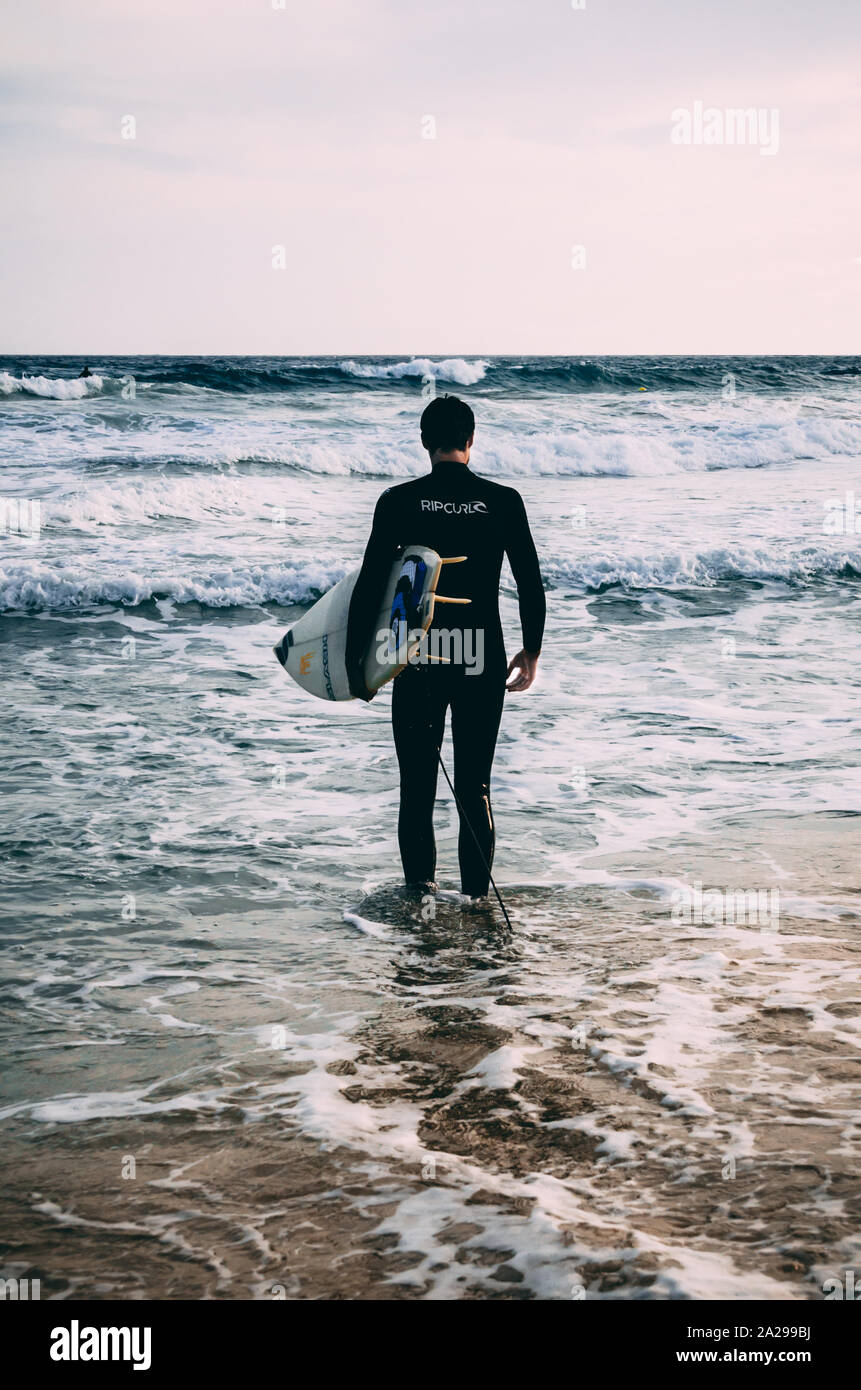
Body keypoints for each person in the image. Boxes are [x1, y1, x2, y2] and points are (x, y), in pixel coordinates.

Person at [345, 395, 545, 900]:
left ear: (423, 442)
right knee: (475, 787)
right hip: (482, 656)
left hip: (419, 659)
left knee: (416, 788)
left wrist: (356, 663)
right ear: (471, 442)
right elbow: (530, 584)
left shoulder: (398, 501)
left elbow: (371, 585)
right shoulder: (504, 501)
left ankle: (422, 906)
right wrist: (532, 650)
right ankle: (478, 905)